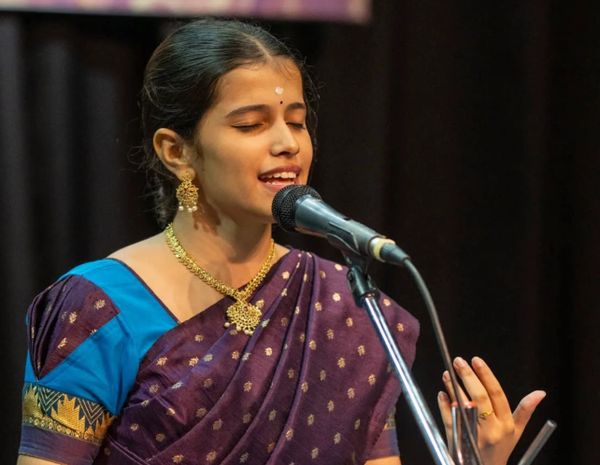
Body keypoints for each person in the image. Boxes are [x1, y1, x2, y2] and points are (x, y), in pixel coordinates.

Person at [17, 19, 545, 465]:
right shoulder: (96, 308)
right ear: (177, 152)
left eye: (297, 122)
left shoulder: (344, 307)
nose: (287, 143)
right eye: (251, 125)